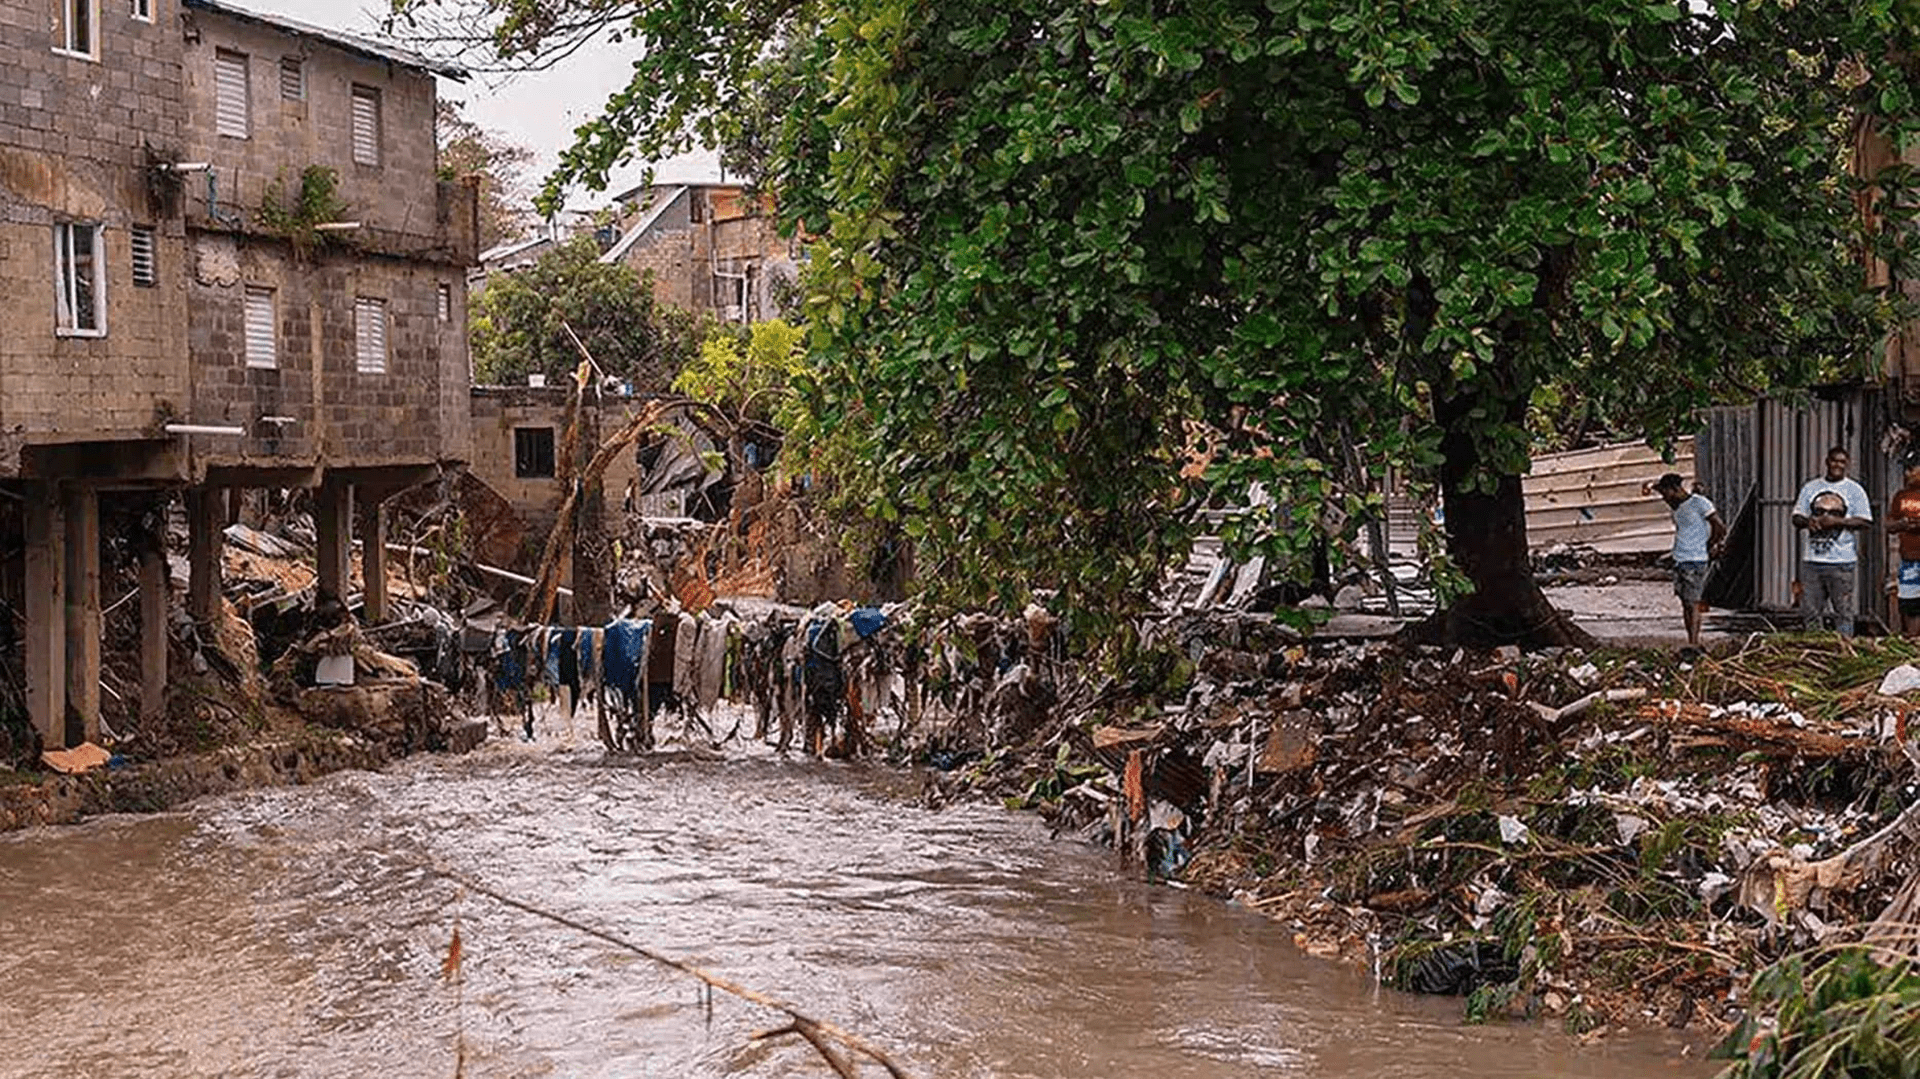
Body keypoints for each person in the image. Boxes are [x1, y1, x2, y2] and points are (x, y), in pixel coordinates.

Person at [1792, 446, 1874, 637]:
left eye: (1842, 462)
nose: (1837, 465)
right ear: (1827, 461)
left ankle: (1844, 646)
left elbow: (1866, 521)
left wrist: (1838, 521)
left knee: (1843, 611)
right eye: (1834, 460)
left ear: (1847, 465)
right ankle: (1815, 645)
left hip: (1841, 561)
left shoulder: (1854, 490)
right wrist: (1808, 521)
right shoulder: (1811, 488)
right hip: (1812, 560)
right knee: (1810, 611)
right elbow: (1796, 517)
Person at [1652, 473, 1726, 649]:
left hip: (1695, 559)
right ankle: (1691, 640)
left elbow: (1719, 526)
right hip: (1681, 559)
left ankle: (1694, 642)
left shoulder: (1699, 503)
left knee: (1692, 602)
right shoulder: (1677, 510)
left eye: (1666, 493)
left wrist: (1709, 545)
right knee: (1686, 602)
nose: (1664, 498)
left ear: (1676, 489)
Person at [1889, 459, 1920, 636]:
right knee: (1910, 605)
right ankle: (1913, 646)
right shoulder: (1901, 496)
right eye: (1906, 470)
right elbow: (1889, 525)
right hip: (1909, 559)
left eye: (1911, 469)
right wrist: (1902, 523)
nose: (1907, 474)